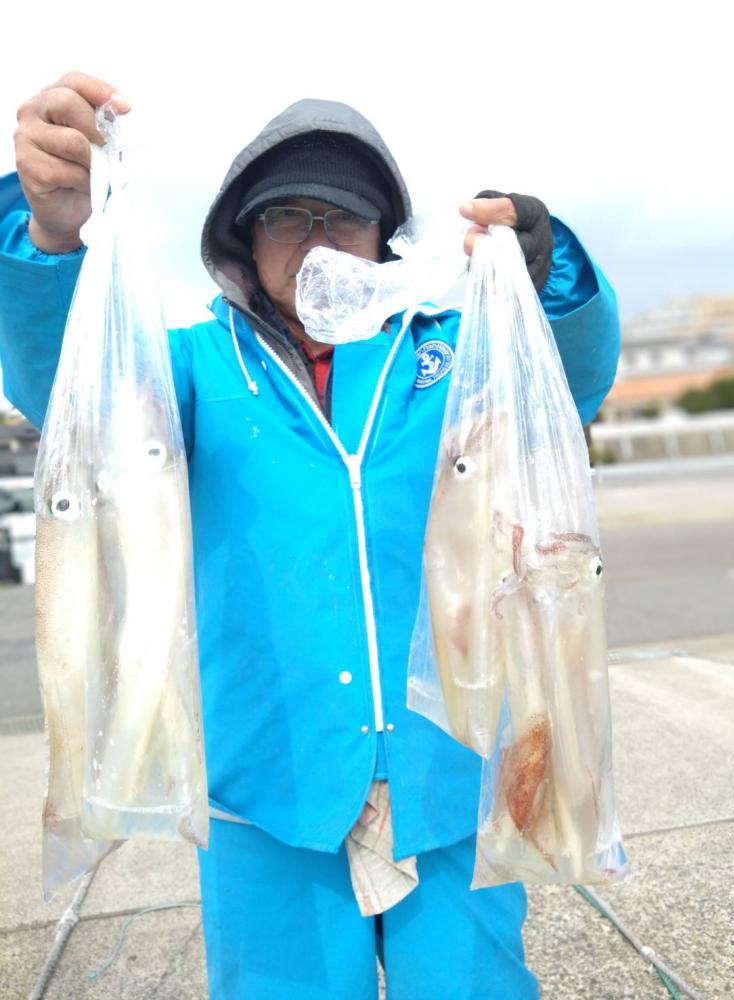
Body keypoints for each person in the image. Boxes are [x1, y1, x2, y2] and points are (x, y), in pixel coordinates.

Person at [1, 72, 620, 999]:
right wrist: (51, 238)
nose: (317, 238)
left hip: (447, 779)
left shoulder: (451, 353)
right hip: (266, 789)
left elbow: (566, 385)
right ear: (243, 240)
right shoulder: (192, 368)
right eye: (286, 216)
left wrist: (545, 277)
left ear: (384, 236)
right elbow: (72, 389)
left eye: (344, 216)